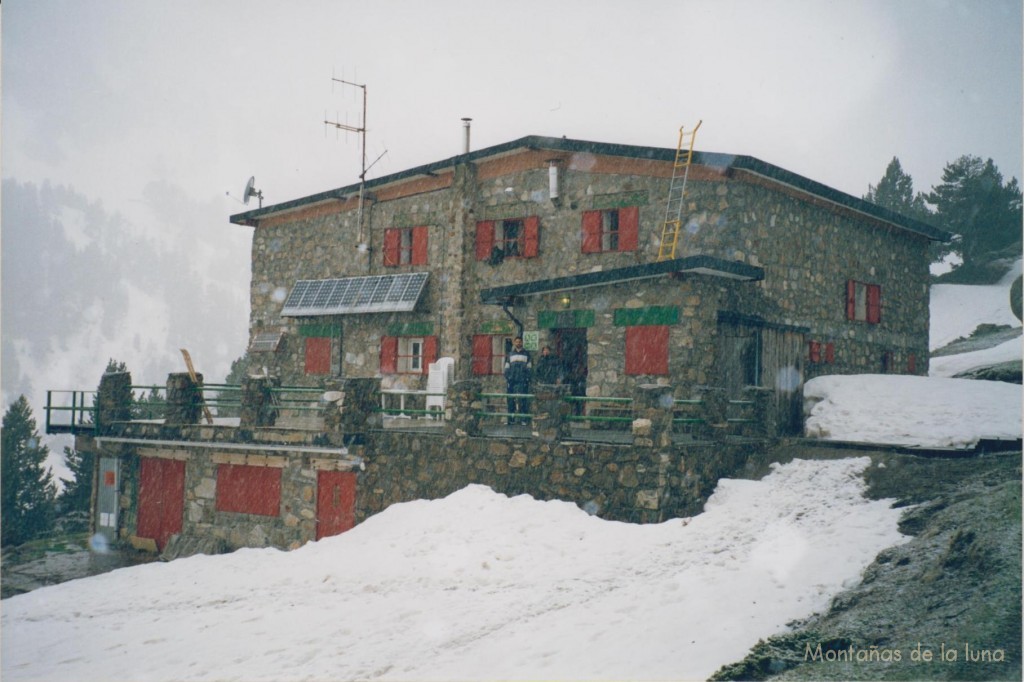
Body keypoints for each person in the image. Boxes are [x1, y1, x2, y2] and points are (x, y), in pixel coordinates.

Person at [503, 336, 532, 424]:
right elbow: (507, 367)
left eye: (520, 342)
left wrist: (527, 378)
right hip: (512, 381)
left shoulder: (526, 354)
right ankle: (511, 419)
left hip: (522, 381)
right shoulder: (510, 354)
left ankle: (523, 419)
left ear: (522, 343)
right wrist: (508, 378)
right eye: (516, 342)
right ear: (514, 343)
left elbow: (529, 368)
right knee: (510, 400)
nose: (518, 343)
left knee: (523, 400)